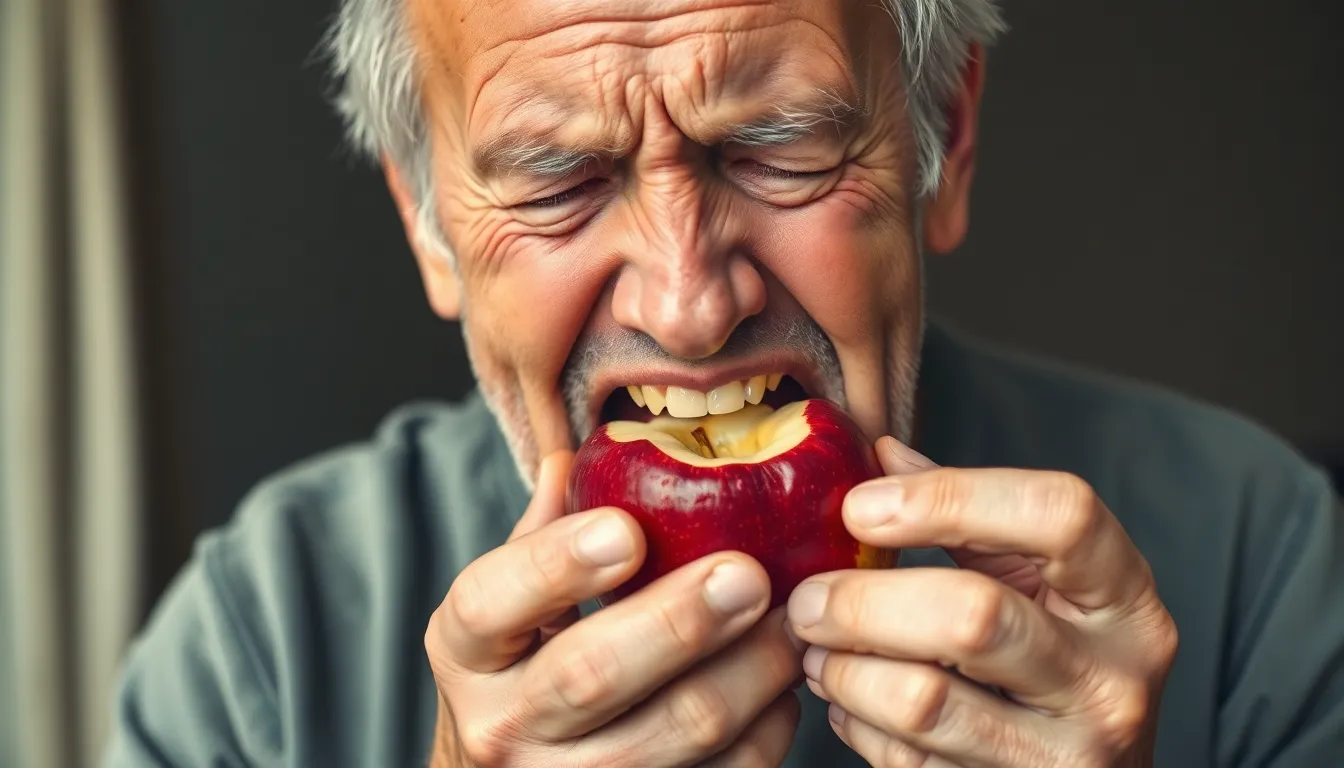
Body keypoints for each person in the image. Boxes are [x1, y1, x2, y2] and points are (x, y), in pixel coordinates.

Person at [103, 0, 1344, 765]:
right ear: (428, 226)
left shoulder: (1258, 565)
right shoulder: (253, 658)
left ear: (944, 143)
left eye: (780, 147)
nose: (691, 307)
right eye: (555, 180)